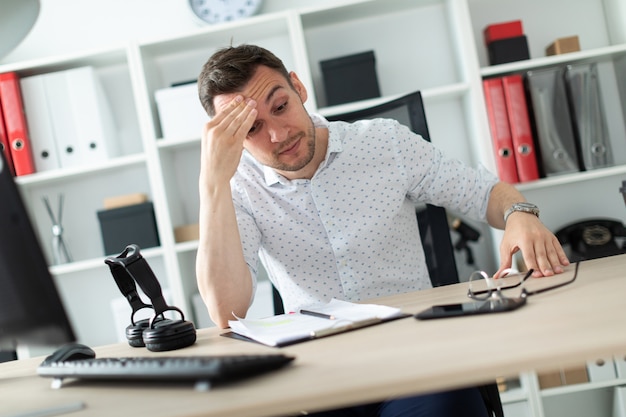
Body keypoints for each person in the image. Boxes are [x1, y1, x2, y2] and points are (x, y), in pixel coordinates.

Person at [195, 44, 570, 417]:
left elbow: (483, 192)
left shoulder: (383, 142)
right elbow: (227, 311)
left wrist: (519, 213)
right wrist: (212, 184)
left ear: (298, 88)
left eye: (280, 107)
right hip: (322, 378)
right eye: (252, 127)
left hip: (417, 358)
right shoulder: (237, 188)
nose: (278, 135)